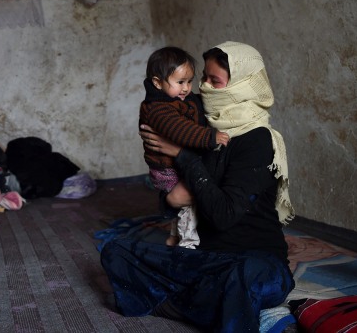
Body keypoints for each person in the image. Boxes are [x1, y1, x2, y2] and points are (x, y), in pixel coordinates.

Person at [101, 41, 295, 332]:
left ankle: (178, 301)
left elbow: (223, 215)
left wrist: (182, 156)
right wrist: (169, 201)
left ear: (241, 85)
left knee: (240, 276)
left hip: (254, 261)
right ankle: (204, 303)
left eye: (212, 80)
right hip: (204, 260)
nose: (201, 87)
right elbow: (175, 199)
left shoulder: (257, 140)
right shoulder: (202, 127)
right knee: (116, 251)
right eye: (202, 77)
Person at [139, 46, 229, 247]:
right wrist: (210, 137)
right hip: (167, 169)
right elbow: (181, 129)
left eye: (189, 81)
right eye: (180, 82)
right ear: (157, 82)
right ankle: (187, 243)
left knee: (187, 203)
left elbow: (195, 109)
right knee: (190, 202)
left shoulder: (180, 98)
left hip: (175, 163)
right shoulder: (158, 108)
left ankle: (173, 236)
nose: (186, 88)